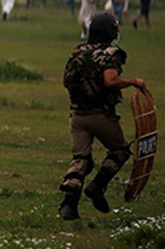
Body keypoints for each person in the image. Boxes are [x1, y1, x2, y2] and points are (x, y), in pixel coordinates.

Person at [57, 13, 147, 220]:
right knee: (120, 151)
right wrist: (134, 81)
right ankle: (97, 186)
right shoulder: (111, 53)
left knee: (81, 159)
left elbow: (66, 82)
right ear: (108, 31)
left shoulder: (78, 51)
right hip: (101, 116)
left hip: (77, 116)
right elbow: (110, 80)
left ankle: (69, 204)